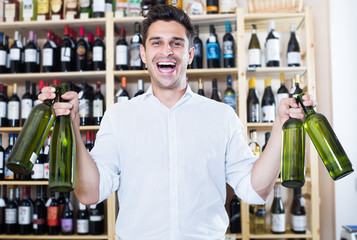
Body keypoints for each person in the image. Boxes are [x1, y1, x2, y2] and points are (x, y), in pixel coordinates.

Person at [39, 5, 316, 240]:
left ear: (190, 54)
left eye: (177, 43)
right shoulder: (119, 116)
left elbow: (254, 190)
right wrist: (72, 125)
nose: (167, 51)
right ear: (144, 55)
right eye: (156, 42)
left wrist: (280, 125)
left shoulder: (222, 117)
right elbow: (89, 193)